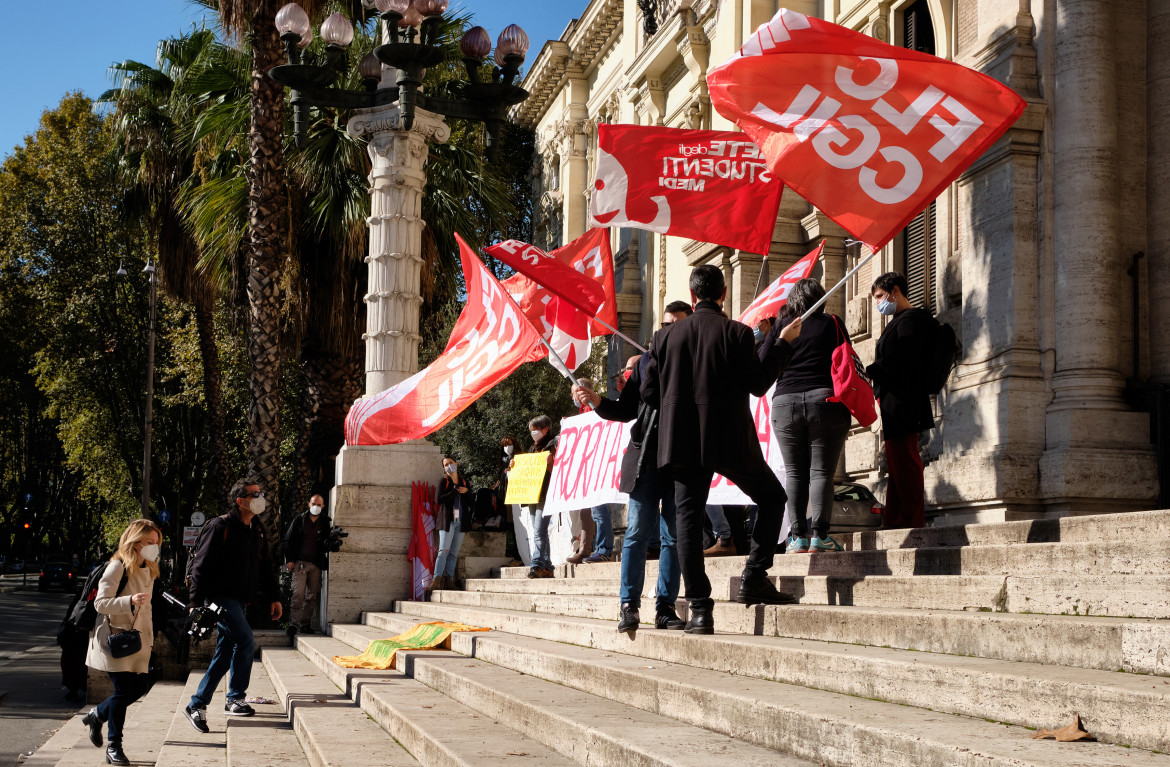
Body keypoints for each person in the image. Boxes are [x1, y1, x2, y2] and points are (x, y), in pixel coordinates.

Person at [642, 264, 803, 634]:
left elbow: (650, 393)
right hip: (729, 437)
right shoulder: (737, 333)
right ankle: (754, 575)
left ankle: (700, 610)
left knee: (687, 522)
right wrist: (781, 344)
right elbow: (759, 384)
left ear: (693, 294)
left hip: (682, 440)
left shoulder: (663, 338)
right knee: (772, 497)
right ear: (724, 293)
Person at [574, 345, 685, 633]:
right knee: (636, 534)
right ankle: (629, 606)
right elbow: (624, 410)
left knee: (672, 538)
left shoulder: (692, 368)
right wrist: (598, 400)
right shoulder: (645, 372)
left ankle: (665, 607)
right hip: (645, 465)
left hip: (680, 465)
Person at [183, 479, 282, 733]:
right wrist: (195, 602)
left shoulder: (256, 529)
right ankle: (235, 697)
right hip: (218, 598)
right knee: (246, 640)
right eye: (254, 494)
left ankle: (197, 704)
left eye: (260, 493)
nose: (260, 497)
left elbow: (266, 565)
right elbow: (201, 566)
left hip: (239, 600)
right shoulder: (220, 526)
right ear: (241, 501)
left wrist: (274, 596)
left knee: (225, 653)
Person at [765, 277, 852, 553]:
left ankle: (797, 536)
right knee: (822, 471)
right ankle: (820, 536)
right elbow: (848, 358)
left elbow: (764, 360)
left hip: (785, 403)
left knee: (795, 473)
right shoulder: (833, 323)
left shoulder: (782, 326)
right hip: (824, 401)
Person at [81, 519, 162, 766]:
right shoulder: (117, 566)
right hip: (116, 638)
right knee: (123, 691)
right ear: (135, 542)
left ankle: (97, 715)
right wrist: (128, 600)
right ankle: (114, 747)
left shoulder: (150, 566)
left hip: (138, 639)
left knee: (138, 687)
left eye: (156, 542)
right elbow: (100, 603)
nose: (154, 547)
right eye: (149, 542)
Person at [866, 272, 935, 529]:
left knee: (906, 462)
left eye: (880, 297)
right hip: (895, 403)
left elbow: (904, 359)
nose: (878, 303)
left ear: (895, 291)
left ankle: (911, 520)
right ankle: (895, 520)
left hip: (905, 403)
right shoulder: (899, 320)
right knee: (896, 464)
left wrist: (871, 370)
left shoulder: (910, 320)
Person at [283, 494, 330, 636]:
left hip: (316, 564)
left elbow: (327, 541)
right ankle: (293, 625)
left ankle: (305, 624)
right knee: (297, 594)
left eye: (319, 505)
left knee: (311, 596)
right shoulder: (299, 520)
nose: (316, 507)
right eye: (314, 504)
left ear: (323, 507)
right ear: (309, 504)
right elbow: (288, 540)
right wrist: (290, 559)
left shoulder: (325, 522)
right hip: (300, 563)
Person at [429, 456, 472, 593]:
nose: (449, 466)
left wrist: (467, 492)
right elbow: (438, 499)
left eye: (450, 463)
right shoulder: (444, 481)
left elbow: (471, 501)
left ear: (456, 463)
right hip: (448, 521)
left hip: (460, 520)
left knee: (454, 553)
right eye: (446, 465)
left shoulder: (464, 481)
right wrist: (454, 491)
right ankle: (437, 579)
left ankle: (449, 579)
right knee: (443, 550)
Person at [522, 415, 558, 578]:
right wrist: (514, 467)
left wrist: (551, 463)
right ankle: (548, 567)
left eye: (536, 430)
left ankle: (536, 565)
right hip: (532, 494)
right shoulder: (532, 448)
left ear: (546, 429)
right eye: (531, 431)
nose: (533, 433)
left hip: (545, 494)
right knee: (540, 532)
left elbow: (558, 471)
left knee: (538, 532)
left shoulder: (553, 445)